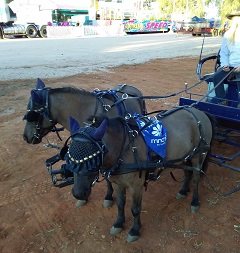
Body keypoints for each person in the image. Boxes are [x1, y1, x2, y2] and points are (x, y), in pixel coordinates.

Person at [213, 10, 240, 107]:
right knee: (216, 77)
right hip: (230, 66)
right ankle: (222, 101)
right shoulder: (228, 35)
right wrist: (225, 64)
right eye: (236, 19)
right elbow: (224, 53)